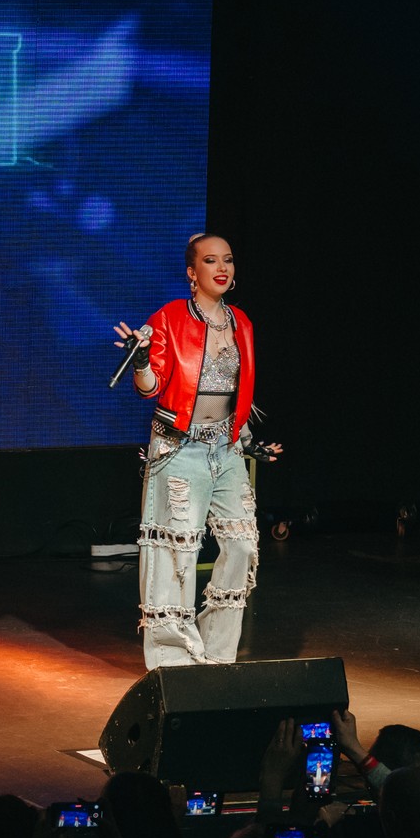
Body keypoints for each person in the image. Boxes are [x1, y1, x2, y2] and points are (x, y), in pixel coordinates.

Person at [112, 233, 280, 668]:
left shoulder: (241, 322)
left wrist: (247, 440)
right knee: (177, 554)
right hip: (179, 449)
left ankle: (218, 654)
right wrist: (141, 361)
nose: (222, 268)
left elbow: (237, 392)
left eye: (228, 259)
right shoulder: (169, 318)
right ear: (192, 272)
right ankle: (174, 662)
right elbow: (150, 388)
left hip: (226, 448)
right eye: (210, 261)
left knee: (242, 546)